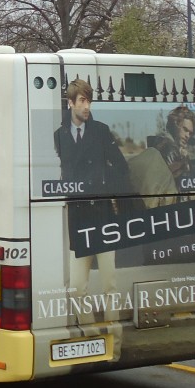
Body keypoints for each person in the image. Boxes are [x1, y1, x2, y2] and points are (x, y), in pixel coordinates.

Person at [53, 79, 130, 298]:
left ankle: (113, 323)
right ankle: (86, 322)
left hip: (102, 216)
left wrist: (103, 185)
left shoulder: (101, 131)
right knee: (76, 289)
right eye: (82, 100)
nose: (87, 106)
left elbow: (122, 167)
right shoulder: (59, 135)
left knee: (110, 286)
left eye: (89, 101)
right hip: (78, 218)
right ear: (70, 103)